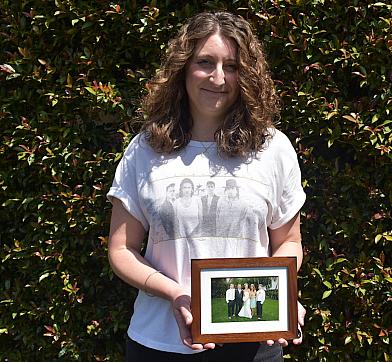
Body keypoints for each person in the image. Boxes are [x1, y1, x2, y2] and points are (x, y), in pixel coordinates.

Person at [107, 11, 306, 362]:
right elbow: (122, 249)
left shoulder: (273, 148)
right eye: (205, 62)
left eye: (231, 66)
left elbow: (288, 242)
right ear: (183, 68)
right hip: (158, 344)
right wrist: (174, 294)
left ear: (246, 75)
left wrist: (281, 296)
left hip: (253, 343)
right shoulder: (145, 148)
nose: (218, 77)